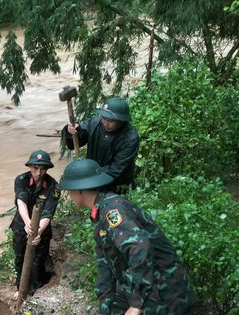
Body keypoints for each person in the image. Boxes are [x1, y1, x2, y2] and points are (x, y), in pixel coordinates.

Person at [57, 159, 197, 315]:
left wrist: (137, 304)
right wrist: (105, 308)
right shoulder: (100, 213)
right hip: (144, 286)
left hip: (164, 290)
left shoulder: (112, 210)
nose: (70, 195)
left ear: (79, 190)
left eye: (69, 191)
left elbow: (140, 248)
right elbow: (105, 268)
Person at [61, 97, 140, 193]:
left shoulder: (130, 138)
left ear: (122, 120)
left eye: (111, 121)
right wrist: (72, 131)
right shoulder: (95, 123)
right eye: (103, 118)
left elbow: (116, 169)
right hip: (93, 180)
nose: (105, 123)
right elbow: (75, 143)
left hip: (116, 185)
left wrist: (88, 175)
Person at [10, 150, 60, 296]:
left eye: (43, 168)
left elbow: (48, 213)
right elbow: (21, 201)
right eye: (35, 168)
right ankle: (20, 288)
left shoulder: (53, 186)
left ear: (47, 169)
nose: (38, 172)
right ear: (30, 166)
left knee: (38, 258)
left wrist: (38, 232)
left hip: (42, 227)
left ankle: (35, 289)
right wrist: (27, 223)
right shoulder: (21, 180)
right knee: (20, 256)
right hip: (21, 224)